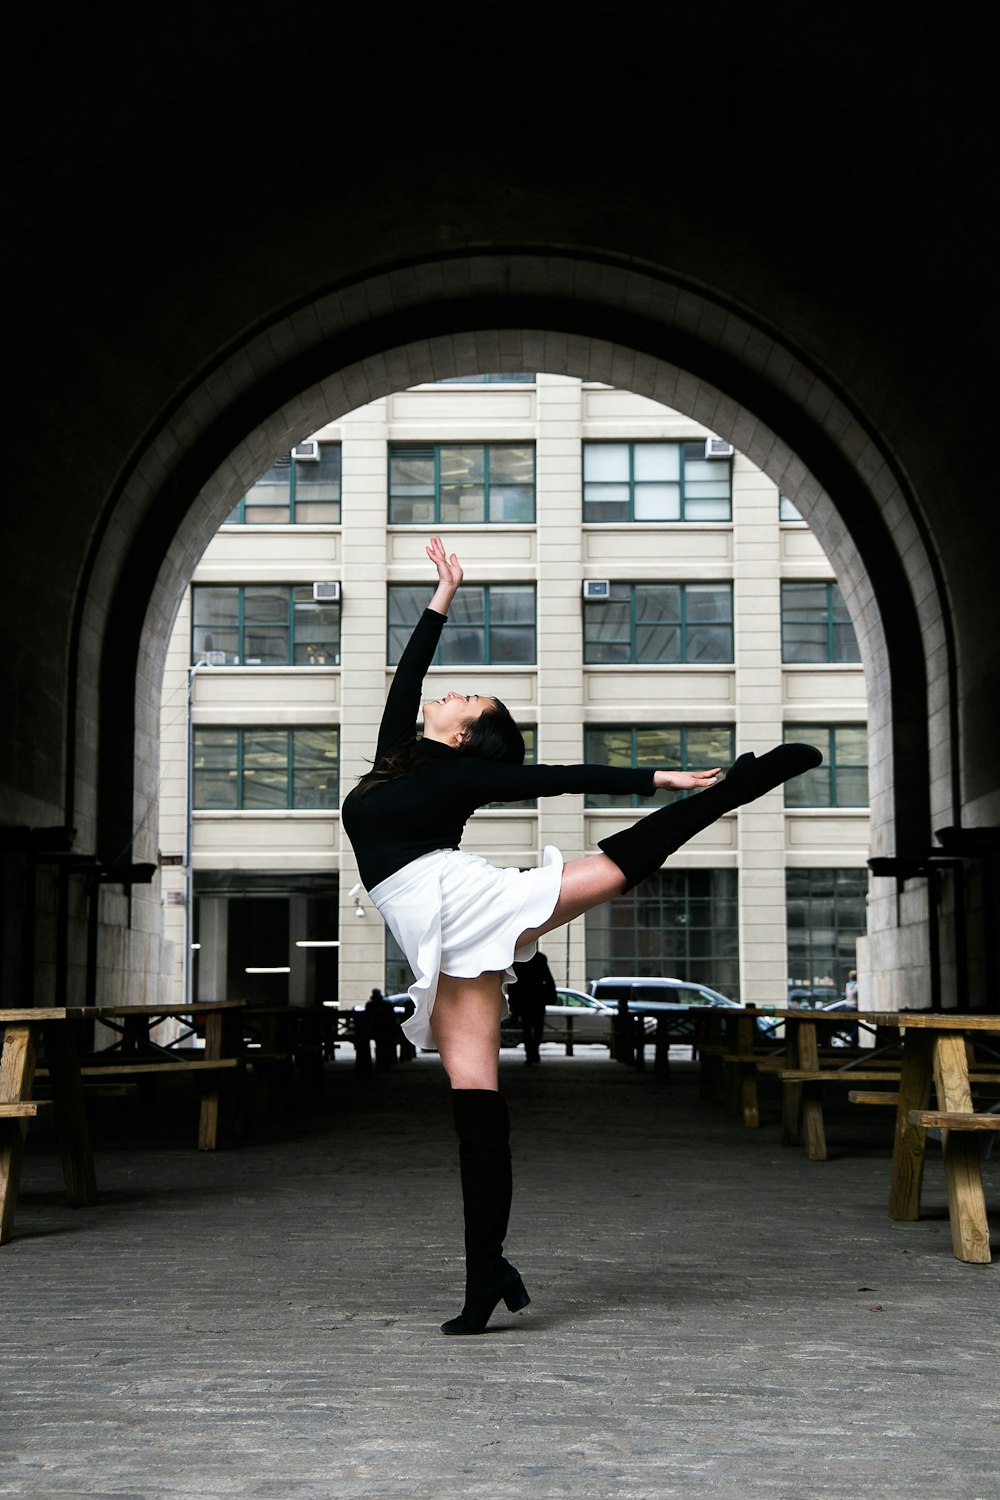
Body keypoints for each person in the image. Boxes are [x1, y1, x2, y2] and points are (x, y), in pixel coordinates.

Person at [341, 537, 822, 1335]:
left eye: (471, 700)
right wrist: (442, 595)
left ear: (467, 737)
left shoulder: (465, 772)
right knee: (474, 1105)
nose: (456, 693)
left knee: (609, 870)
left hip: (460, 899)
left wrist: (661, 777)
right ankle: (486, 1273)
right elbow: (411, 676)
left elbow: (559, 776)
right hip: (432, 929)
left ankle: (731, 789)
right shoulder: (400, 754)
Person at [510, 948, 556, 1064]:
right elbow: (548, 979)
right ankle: (534, 1050)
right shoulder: (540, 958)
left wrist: (513, 1006)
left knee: (527, 1028)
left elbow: (513, 985)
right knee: (538, 1028)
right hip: (537, 999)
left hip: (523, 999)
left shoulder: (517, 960)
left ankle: (530, 1053)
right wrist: (551, 996)